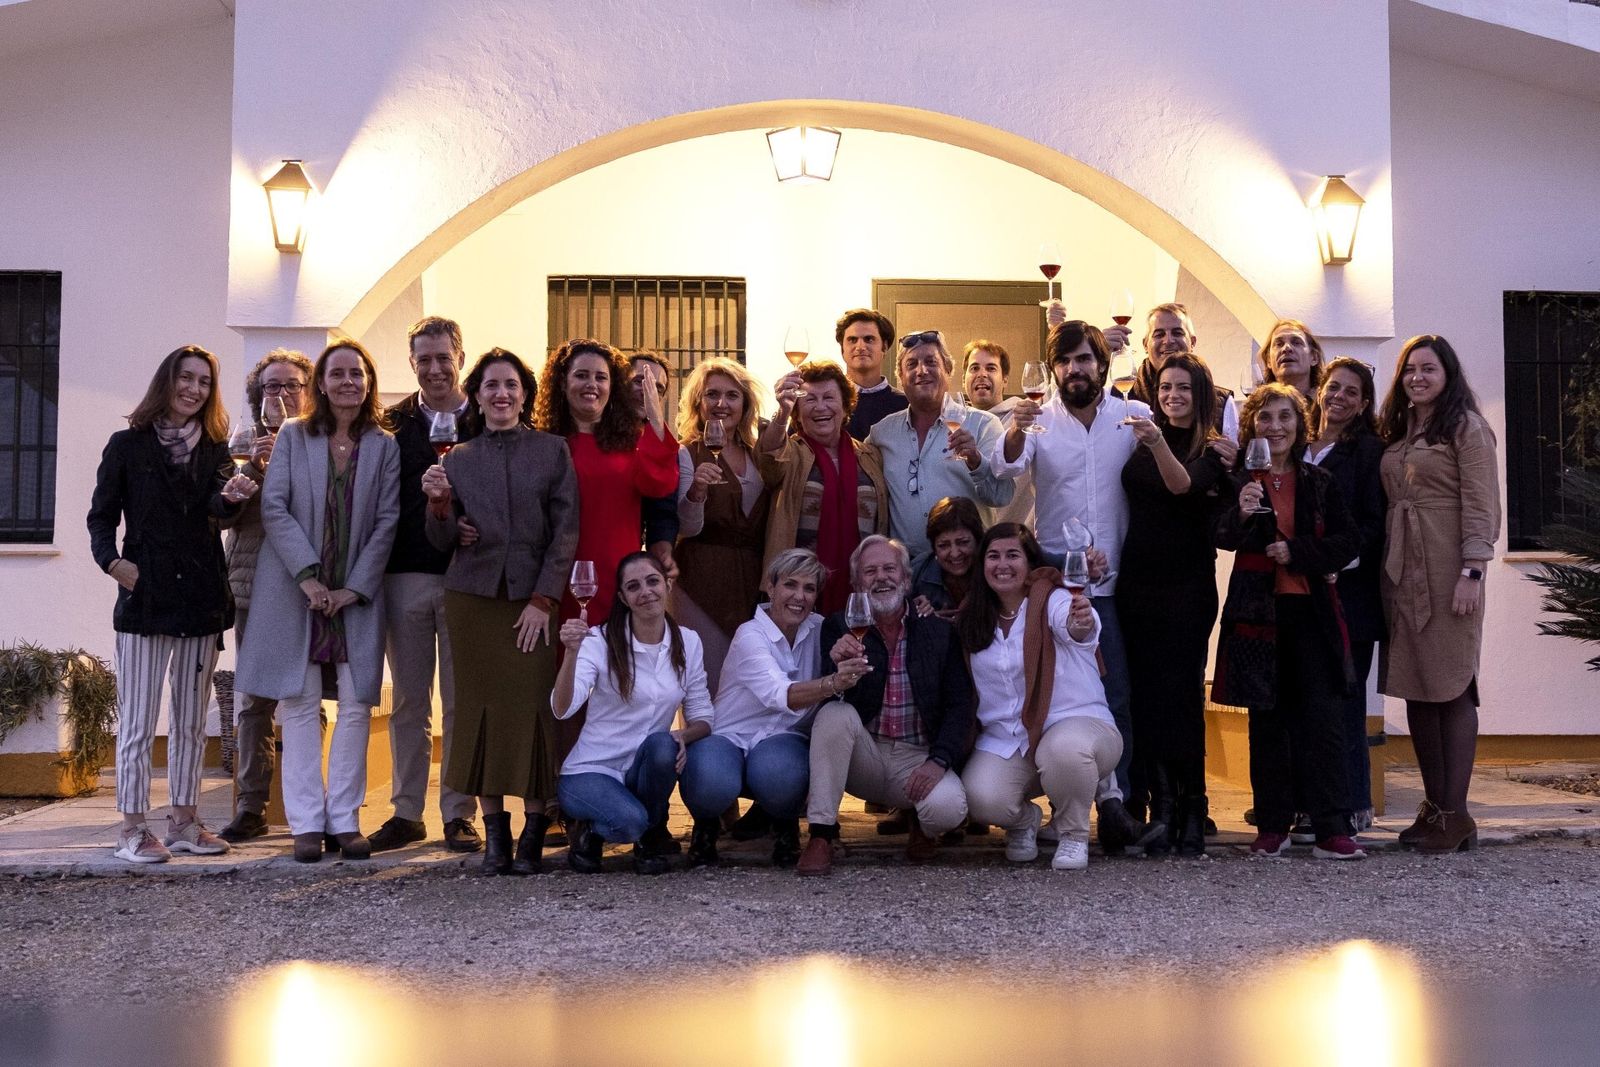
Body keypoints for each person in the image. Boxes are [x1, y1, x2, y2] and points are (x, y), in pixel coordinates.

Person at [88, 345, 259, 863]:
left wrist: (232, 496)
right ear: (167, 381)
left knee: (188, 722)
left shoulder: (215, 449)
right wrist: (115, 565)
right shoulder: (126, 445)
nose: (194, 388)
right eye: (186, 378)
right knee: (139, 722)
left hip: (202, 599)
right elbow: (100, 518)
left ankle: (184, 822)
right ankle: (132, 830)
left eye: (204, 382)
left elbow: (218, 511)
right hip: (144, 600)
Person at [237, 339, 401, 863]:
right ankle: (307, 824)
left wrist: (353, 587)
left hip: (358, 593)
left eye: (358, 373)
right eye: (338, 373)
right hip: (294, 589)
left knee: (355, 704)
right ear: (322, 384)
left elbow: (386, 521)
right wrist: (309, 579)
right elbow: (275, 508)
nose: (348, 381)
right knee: (300, 703)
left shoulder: (385, 445)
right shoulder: (291, 435)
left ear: (369, 382)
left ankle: (344, 820)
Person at [991, 319, 1149, 853]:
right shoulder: (1038, 421)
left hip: (1121, 582)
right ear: (1053, 368)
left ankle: (1120, 809)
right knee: (1059, 698)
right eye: (1065, 360)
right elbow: (1006, 467)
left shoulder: (1134, 415)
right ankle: (1069, 810)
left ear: (1103, 364)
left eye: (1085, 359)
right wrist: (1015, 427)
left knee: (1119, 696)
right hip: (1057, 585)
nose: (1074, 369)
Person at [422, 349, 578, 875]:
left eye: (511, 384)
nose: (502, 394)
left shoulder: (553, 451)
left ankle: (533, 832)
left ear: (525, 393)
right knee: (479, 712)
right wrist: (440, 508)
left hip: (532, 600)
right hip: (473, 600)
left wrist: (544, 599)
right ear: (478, 394)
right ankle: (496, 836)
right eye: (491, 385)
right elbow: (441, 540)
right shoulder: (457, 458)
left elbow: (566, 533)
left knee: (534, 710)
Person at [1212, 383, 1364, 860]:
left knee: (1322, 721)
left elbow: (1348, 542)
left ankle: (1331, 829)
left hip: (1311, 612)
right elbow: (1221, 536)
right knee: (1267, 723)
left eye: (1284, 418)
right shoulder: (1239, 480)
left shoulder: (1319, 482)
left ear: (1299, 425)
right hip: (1257, 614)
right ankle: (1272, 826)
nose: (1275, 427)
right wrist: (1239, 512)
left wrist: (1297, 552)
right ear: (1251, 426)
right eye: (1265, 418)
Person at [1376, 335, 1501, 854]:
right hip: (1402, 574)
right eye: (1409, 370)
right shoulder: (1402, 430)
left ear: (1448, 373)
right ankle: (1435, 809)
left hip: (1452, 569)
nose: (1417, 378)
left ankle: (1457, 812)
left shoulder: (1466, 428)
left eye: (1428, 368)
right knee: (1418, 689)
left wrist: (1472, 571)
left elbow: (1482, 504)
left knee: (1452, 686)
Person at [796, 536, 975, 876]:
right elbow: (830, 705)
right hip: (865, 754)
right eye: (870, 571)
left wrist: (939, 761)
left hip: (916, 757)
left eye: (889, 569)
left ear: (906, 580)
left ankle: (921, 823)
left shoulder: (936, 631)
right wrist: (837, 670)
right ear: (856, 584)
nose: (881, 578)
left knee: (949, 809)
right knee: (835, 714)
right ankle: (821, 835)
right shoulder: (839, 626)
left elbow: (958, 704)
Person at [372, 316, 482, 855]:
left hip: (469, 580)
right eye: (424, 359)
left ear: (460, 356)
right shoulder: (391, 425)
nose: (435, 368)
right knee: (411, 702)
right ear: (411, 362)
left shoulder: (487, 417)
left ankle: (459, 812)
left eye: (444, 357)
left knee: (462, 702)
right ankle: (407, 812)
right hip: (407, 575)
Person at [1117, 355, 1231, 855]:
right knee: (1144, 697)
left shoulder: (1213, 449)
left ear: (1200, 393)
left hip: (1186, 586)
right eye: (1165, 387)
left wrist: (1158, 441)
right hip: (1138, 583)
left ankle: (1193, 805)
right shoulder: (1142, 437)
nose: (1172, 395)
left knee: (1182, 697)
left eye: (1183, 387)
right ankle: (1156, 804)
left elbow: (1181, 485)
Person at [957, 525, 1122, 871]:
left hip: (1080, 725)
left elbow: (1077, 628)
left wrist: (1082, 622)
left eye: (1012, 555)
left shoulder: (1052, 597)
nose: (1002, 564)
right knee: (978, 798)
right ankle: (1024, 821)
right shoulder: (974, 613)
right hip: (1010, 739)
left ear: (1030, 562)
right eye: (993, 556)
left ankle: (1073, 832)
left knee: (1064, 750)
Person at [553, 552, 713, 875]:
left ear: (667, 585)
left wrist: (681, 736)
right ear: (624, 598)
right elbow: (562, 708)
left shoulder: (689, 643)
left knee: (662, 747)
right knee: (630, 822)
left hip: (639, 770)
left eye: (653, 581)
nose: (646, 592)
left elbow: (703, 718)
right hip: (590, 771)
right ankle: (591, 830)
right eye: (634, 586)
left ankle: (646, 838)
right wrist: (571, 653)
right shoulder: (600, 640)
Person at [678, 549, 837, 869]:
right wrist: (834, 682)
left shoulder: (822, 628)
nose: (799, 596)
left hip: (783, 738)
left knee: (781, 775)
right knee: (709, 780)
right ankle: (706, 826)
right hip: (730, 736)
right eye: (791, 585)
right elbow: (781, 694)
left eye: (809, 588)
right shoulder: (750, 633)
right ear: (770, 586)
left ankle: (784, 824)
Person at [219, 347, 314, 843]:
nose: (281, 394)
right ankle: (251, 805)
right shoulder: (242, 444)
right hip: (254, 585)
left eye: (292, 384)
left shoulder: (319, 440)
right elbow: (223, 516)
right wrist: (253, 472)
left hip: (307, 585)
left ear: (308, 390)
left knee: (307, 696)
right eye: (272, 386)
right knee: (254, 699)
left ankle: (309, 807)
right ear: (258, 394)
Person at [1307, 356, 1387, 833]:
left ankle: (1354, 804)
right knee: (1309, 702)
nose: (1339, 396)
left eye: (1351, 392)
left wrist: (1337, 561)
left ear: (1363, 404)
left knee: (1346, 702)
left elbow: (1374, 523)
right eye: (1333, 387)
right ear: (1320, 389)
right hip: (1299, 593)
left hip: (1349, 594)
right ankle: (1312, 805)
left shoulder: (1370, 451)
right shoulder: (1298, 444)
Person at [673, 356, 771, 694]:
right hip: (701, 582)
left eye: (732, 395)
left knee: (749, 683)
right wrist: (698, 490)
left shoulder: (760, 454)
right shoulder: (687, 453)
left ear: (745, 404)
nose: (721, 404)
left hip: (752, 582)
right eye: (711, 394)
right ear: (698, 403)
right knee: (708, 681)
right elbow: (686, 527)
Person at [760, 360, 889, 616]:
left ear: (845, 406)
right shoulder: (791, 452)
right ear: (797, 411)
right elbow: (768, 458)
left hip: (861, 589)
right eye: (809, 400)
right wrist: (782, 411)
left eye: (829, 397)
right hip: (800, 590)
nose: (820, 407)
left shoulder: (870, 455)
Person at [868, 330, 1012, 557]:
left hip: (966, 568)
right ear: (900, 377)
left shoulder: (984, 424)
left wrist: (976, 462)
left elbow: (1001, 496)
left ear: (948, 371)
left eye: (931, 362)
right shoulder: (881, 433)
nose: (921, 370)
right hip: (908, 573)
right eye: (912, 364)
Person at [1073, 301, 1239, 439]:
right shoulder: (1116, 395)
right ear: (1145, 344)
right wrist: (1096, 352)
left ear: (1192, 342)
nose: (1168, 340)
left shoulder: (1222, 403)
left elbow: (1236, 468)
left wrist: (1232, 463)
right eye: (1159, 334)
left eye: (1177, 332)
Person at [963, 339, 1034, 527]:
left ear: (1005, 379)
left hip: (1014, 540)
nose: (982, 374)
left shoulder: (1023, 416)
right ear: (964, 379)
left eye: (991, 368)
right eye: (974, 368)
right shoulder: (953, 424)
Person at [628, 350, 681, 581]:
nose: (646, 390)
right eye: (639, 381)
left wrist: (662, 548)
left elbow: (662, 512)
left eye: (657, 387)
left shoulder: (662, 444)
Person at [836, 308, 906, 440]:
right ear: (842, 349)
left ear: (884, 347)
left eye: (869, 339)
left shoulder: (905, 406)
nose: (860, 346)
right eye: (852, 340)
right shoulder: (825, 402)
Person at [910, 495, 985, 618]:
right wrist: (920, 617)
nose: (955, 554)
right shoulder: (917, 572)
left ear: (978, 540)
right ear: (933, 547)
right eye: (943, 545)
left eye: (963, 542)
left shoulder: (995, 568)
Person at [1258, 318, 1326, 401]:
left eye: (1296, 343)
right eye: (1279, 344)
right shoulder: (1260, 408)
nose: (1286, 348)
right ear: (1268, 360)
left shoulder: (1326, 404)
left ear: (1314, 357)